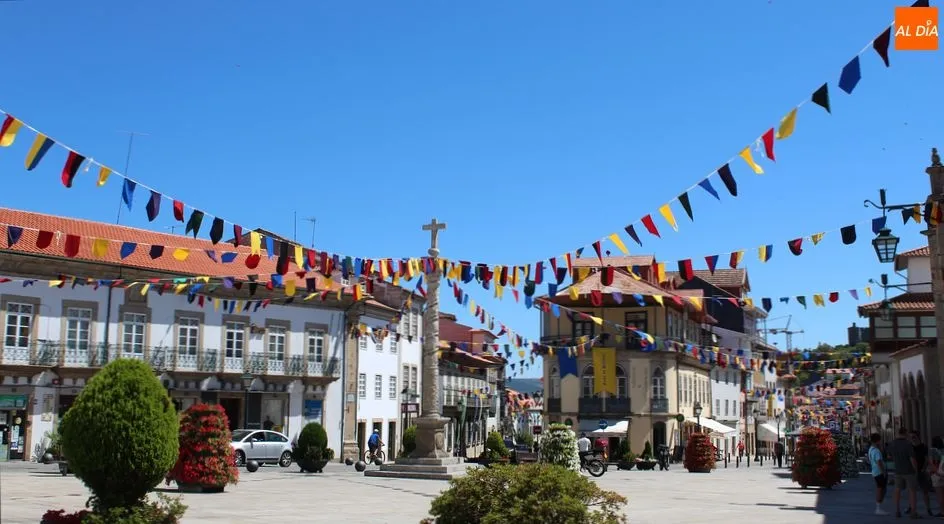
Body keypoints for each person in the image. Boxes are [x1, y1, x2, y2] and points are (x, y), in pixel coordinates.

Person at [891, 427, 920, 519]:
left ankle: (897, 510)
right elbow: (912, 459)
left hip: (898, 470)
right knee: (912, 491)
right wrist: (916, 469)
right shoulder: (908, 444)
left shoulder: (893, 443)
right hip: (909, 471)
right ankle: (913, 512)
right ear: (905, 433)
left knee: (897, 490)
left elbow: (889, 455)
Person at [909, 431, 933, 517]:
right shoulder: (910, 447)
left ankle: (928, 508)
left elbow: (926, 459)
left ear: (918, 437)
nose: (912, 438)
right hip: (911, 472)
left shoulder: (923, 447)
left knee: (925, 491)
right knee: (912, 491)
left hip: (921, 471)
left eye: (914, 436)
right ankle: (910, 507)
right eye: (911, 437)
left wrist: (924, 468)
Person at [869, 433, 889, 516]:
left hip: (875, 472)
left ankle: (879, 506)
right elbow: (879, 462)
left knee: (881, 488)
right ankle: (878, 508)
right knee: (881, 489)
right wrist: (883, 472)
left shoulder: (871, 449)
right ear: (878, 440)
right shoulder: (876, 451)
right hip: (879, 472)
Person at [929, 436, 944, 518]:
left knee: (940, 495)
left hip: (936, 474)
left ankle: (942, 512)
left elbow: (931, 463)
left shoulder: (932, 451)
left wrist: (936, 472)